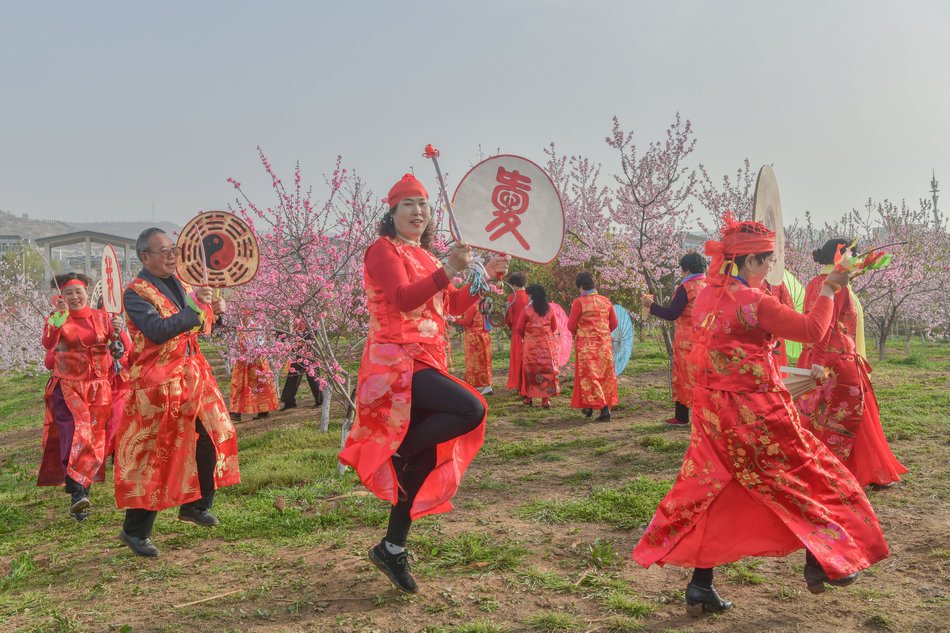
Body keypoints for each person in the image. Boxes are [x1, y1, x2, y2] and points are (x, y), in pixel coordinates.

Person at [631, 216, 889, 616]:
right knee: (812, 473)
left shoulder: (707, 296)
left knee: (716, 491)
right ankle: (822, 560)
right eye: (767, 261)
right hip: (757, 411)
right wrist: (832, 287)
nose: (770, 268)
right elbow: (812, 330)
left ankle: (701, 585)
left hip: (713, 413)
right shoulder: (754, 302)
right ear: (750, 262)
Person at [338, 174, 509, 594]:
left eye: (424, 205)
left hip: (428, 358)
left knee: (424, 462)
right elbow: (401, 298)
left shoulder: (429, 257)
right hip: (396, 363)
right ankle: (397, 449)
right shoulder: (383, 249)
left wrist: (483, 280)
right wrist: (450, 267)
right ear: (392, 213)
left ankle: (392, 547)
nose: (418, 212)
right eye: (408, 205)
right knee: (471, 409)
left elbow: (448, 305)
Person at [114, 228, 240, 557]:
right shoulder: (135, 293)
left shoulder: (183, 284)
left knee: (216, 434)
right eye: (164, 251)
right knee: (157, 456)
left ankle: (195, 505)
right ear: (145, 257)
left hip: (193, 373)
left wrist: (217, 311)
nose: (172, 256)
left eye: (174, 249)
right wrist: (195, 307)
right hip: (157, 381)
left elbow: (200, 323)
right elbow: (157, 331)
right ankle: (134, 531)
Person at [796, 238, 907, 488]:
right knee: (854, 416)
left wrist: (813, 359)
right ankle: (861, 470)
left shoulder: (814, 283)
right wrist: (821, 360)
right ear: (846, 259)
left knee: (814, 417)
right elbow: (824, 328)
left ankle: (817, 469)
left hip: (814, 358)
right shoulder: (838, 285)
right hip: (835, 361)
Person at [38, 273, 128, 521]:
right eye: (68, 293)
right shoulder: (57, 319)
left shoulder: (103, 317)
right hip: (68, 387)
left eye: (78, 291)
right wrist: (57, 318)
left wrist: (117, 335)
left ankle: (81, 496)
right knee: (79, 434)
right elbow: (47, 342)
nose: (74, 297)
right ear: (61, 296)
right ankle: (77, 494)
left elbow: (120, 350)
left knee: (96, 440)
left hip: (99, 388)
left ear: (87, 292)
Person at [641, 252, 707, 426]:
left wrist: (651, 306)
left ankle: (682, 417)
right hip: (705, 340)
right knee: (703, 378)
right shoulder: (707, 285)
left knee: (684, 378)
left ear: (686, 269)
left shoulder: (686, 287)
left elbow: (672, 314)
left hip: (687, 340)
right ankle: (705, 416)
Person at [568, 272, 618, 421]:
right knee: (604, 376)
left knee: (589, 376)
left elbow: (570, 326)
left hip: (586, 346)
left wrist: (582, 331)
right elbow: (614, 323)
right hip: (604, 345)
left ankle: (604, 410)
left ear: (581, 286)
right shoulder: (606, 301)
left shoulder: (579, 302)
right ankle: (589, 406)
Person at [228, 314, 280, 422]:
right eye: (241, 314)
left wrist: (252, 354)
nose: (243, 317)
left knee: (260, 384)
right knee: (238, 384)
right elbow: (236, 342)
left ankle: (263, 410)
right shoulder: (240, 327)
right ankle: (235, 412)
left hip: (256, 359)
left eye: (245, 314)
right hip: (242, 360)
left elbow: (260, 343)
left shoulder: (257, 326)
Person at [516, 283, 560, 408]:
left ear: (532, 295)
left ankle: (529, 398)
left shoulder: (526, 310)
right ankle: (545, 400)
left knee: (530, 371)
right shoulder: (550, 309)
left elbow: (519, 328)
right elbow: (554, 327)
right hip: (547, 345)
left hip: (531, 346)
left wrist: (528, 336)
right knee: (547, 371)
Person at [279, 321, 323, 410]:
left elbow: (309, 336)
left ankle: (320, 400)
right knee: (292, 376)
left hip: (309, 350)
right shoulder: (297, 320)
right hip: (297, 351)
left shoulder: (310, 318)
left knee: (313, 377)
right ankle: (289, 401)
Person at [457, 304, 494, 396]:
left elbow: (467, 321)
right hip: (484, 335)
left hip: (474, 336)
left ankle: (474, 385)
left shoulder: (472, 306)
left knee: (473, 362)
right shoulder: (484, 304)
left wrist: (455, 319)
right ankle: (486, 385)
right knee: (485, 361)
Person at [505, 272, 529, 392]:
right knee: (527, 359)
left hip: (517, 332)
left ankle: (520, 385)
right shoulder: (530, 296)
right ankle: (527, 385)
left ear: (514, 284)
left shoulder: (512, 296)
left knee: (517, 359)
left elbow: (507, 317)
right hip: (529, 333)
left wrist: (510, 326)